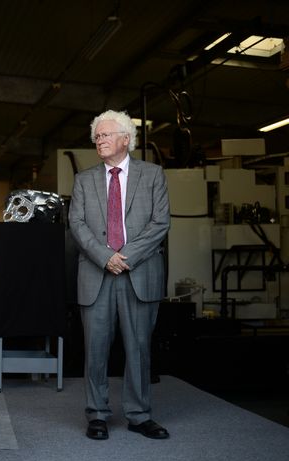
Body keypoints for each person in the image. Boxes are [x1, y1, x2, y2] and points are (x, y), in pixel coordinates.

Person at [68, 109, 170, 440]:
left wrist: (124, 257)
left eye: (106, 134)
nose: (99, 140)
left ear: (126, 138)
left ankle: (139, 415)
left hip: (138, 273)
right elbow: (77, 225)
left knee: (139, 348)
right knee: (95, 349)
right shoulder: (83, 180)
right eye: (97, 136)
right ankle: (97, 415)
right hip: (97, 274)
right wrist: (104, 257)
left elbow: (160, 223)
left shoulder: (153, 175)